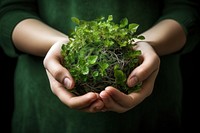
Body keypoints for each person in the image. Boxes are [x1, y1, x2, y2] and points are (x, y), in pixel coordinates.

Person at [0, 0, 199, 133]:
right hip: (45, 110)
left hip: (153, 109)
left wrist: (148, 45)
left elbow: (186, 7)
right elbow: (10, 9)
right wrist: (61, 46)